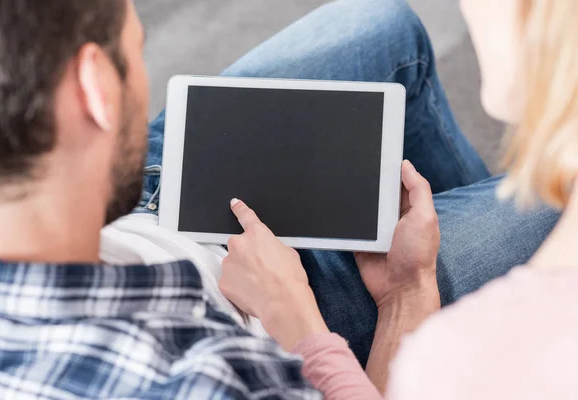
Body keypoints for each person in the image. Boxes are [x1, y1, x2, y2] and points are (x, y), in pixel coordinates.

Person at [0, 0, 558, 398]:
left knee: (382, 25)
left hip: (119, 193)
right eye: (138, 50)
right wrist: (406, 293)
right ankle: (481, 329)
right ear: (96, 88)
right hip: (279, 309)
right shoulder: (207, 379)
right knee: (558, 208)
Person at [230, 0, 578, 398]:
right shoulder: (453, 361)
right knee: (383, 24)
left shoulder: (449, 363)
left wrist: (290, 311)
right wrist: (405, 291)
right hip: (176, 236)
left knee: (383, 29)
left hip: (241, 293)